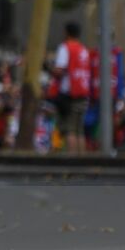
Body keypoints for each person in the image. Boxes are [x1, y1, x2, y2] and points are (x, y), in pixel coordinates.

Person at [49, 22, 91, 153]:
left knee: (69, 129)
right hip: (83, 92)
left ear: (66, 32)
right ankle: (81, 158)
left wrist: (49, 68)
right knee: (80, 130)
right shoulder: (83, 49)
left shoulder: (66, 48)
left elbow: (60, 70)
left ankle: (72, 160)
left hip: (69, 94)